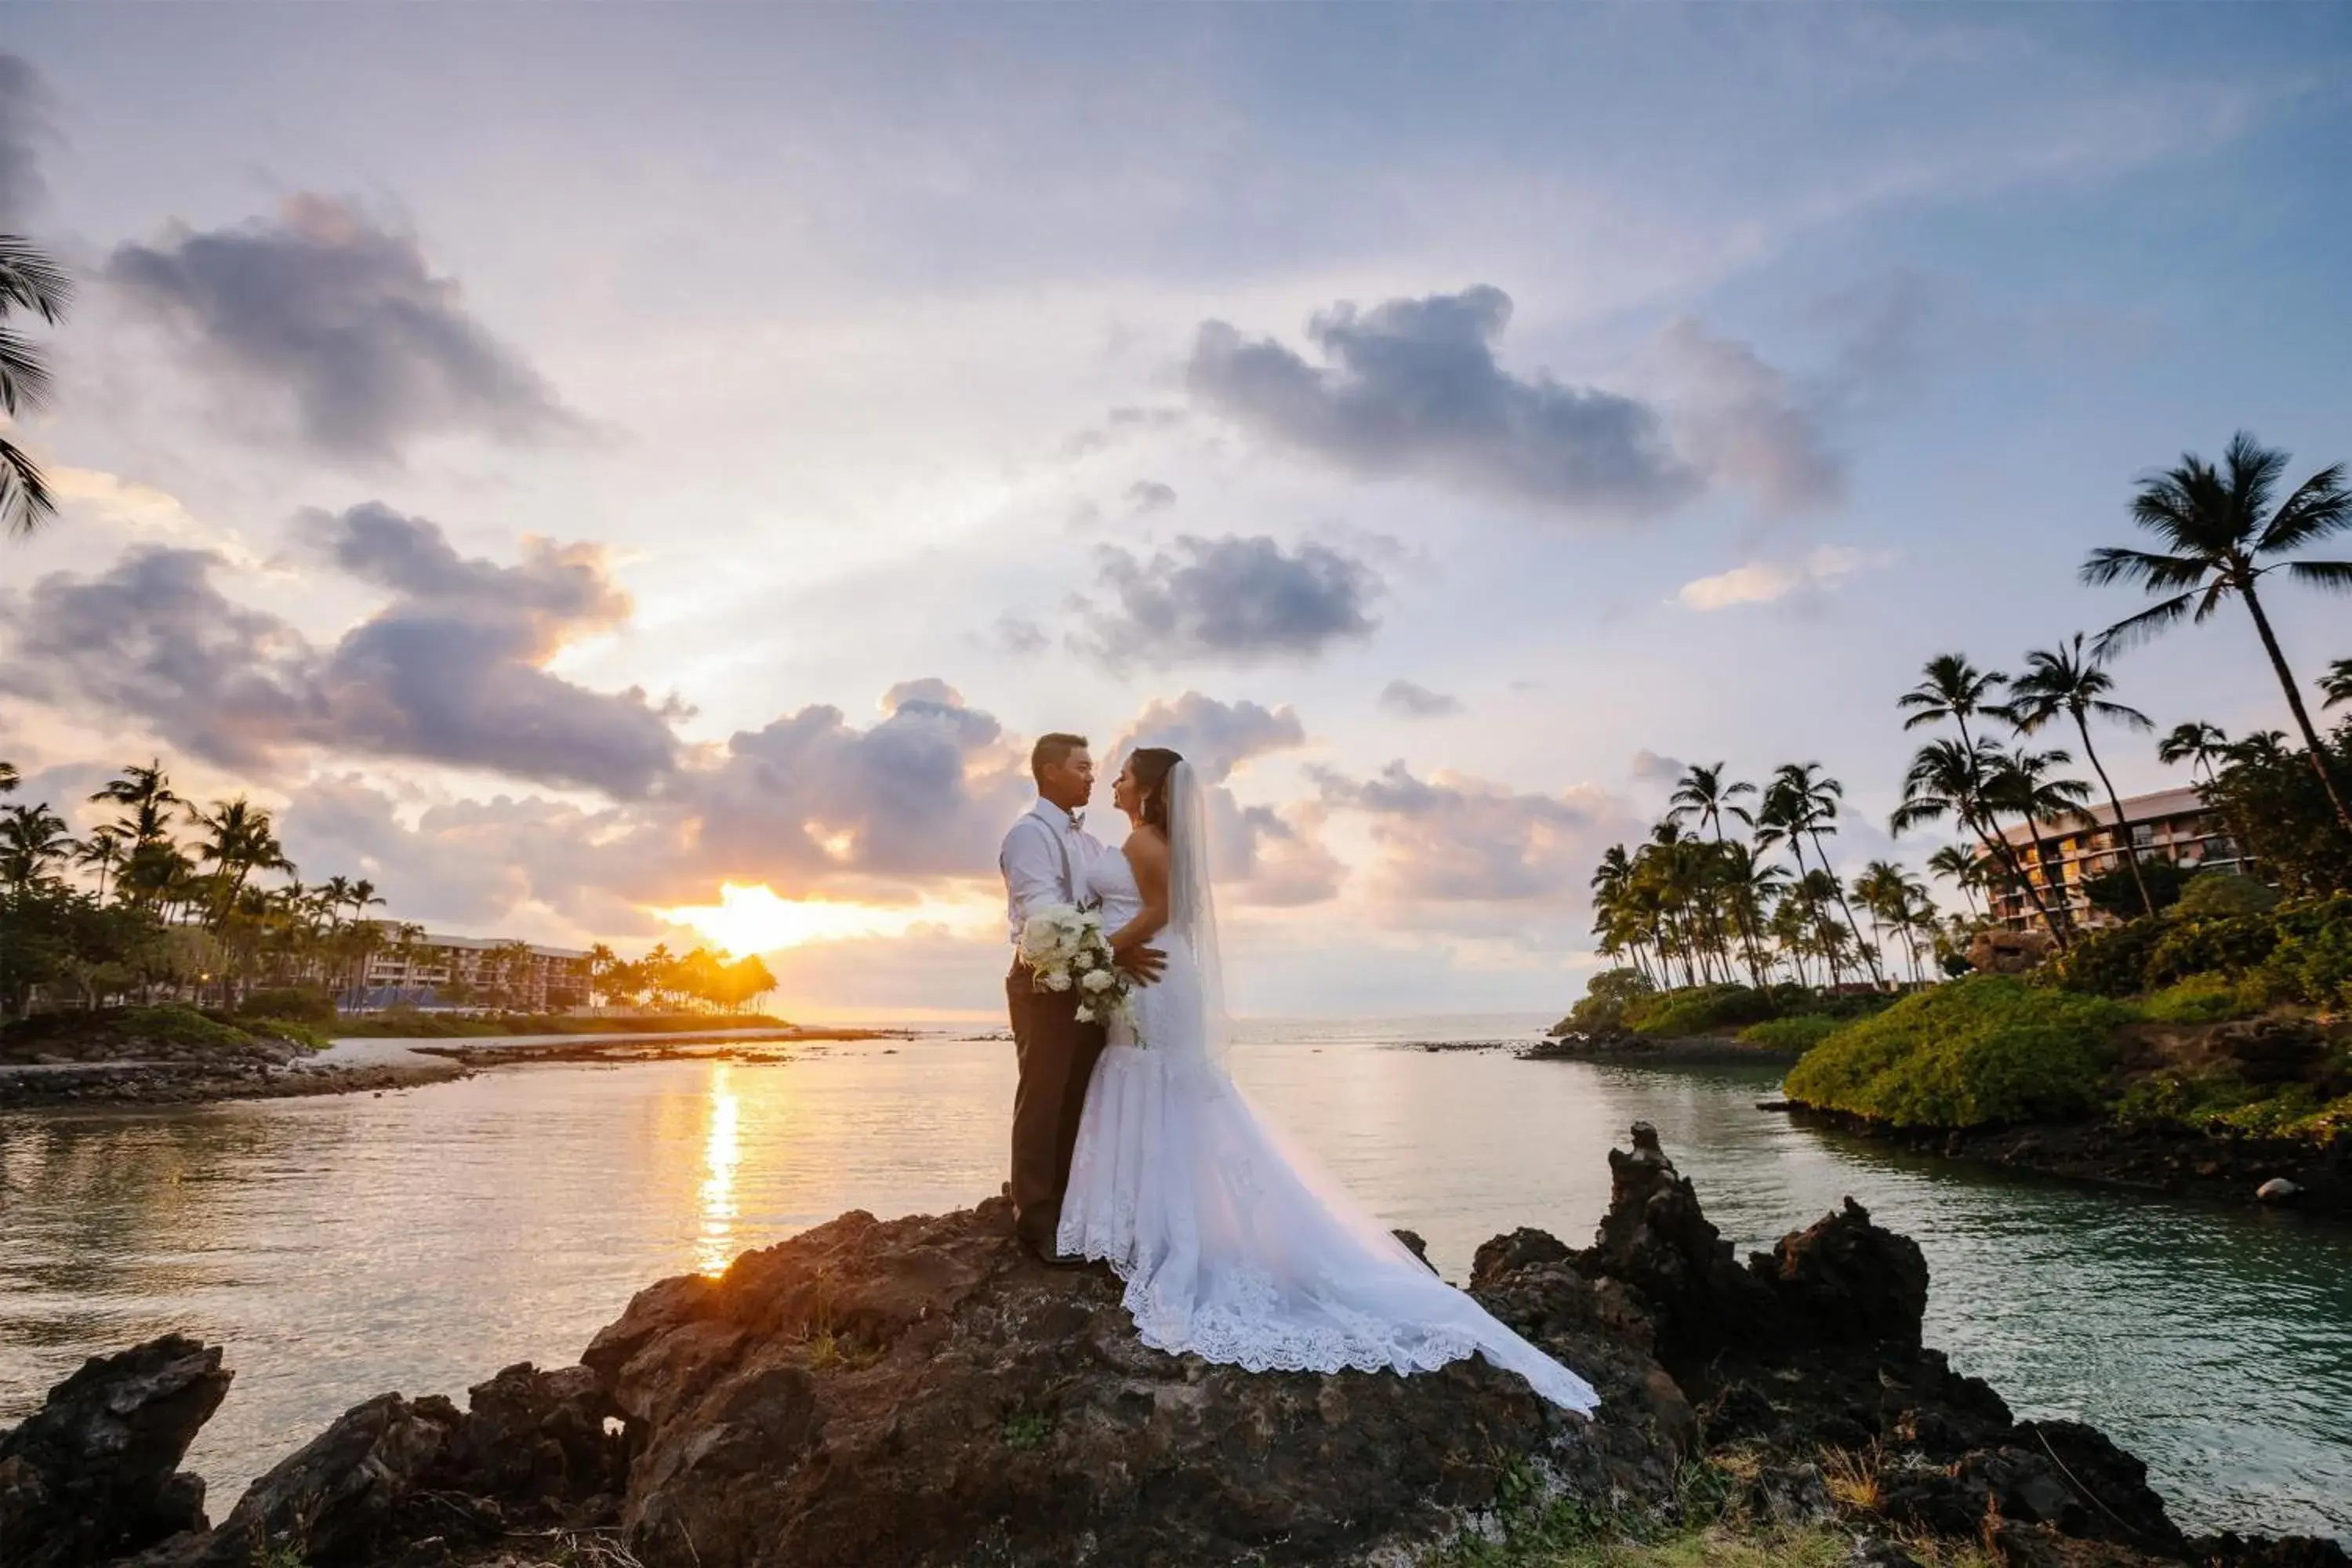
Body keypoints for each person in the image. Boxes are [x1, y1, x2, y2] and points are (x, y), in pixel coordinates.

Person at [1054, 746, 1599, 1412]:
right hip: (1153, 974)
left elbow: (1165, 910)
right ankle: (1162, 1226)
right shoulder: (1151, 839)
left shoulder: (1144, 841)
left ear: (1146, 789)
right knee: (1167, 1093)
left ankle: (1167, 1233)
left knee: (1159, 1087)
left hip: (1152, 977)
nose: (1112, 781)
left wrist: (1100, 950)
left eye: (1122, 774)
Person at [998, 732, 1161, 1265]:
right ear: (1050, 771)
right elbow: (1044, 912)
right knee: (1044, 1097)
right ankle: (1035, 1223)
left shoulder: (1087, 842)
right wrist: (1115, 949)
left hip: (1092, 980)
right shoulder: (1029, 835)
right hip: (1042, 980)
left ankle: (1071, 1208)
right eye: (1083, 767)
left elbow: (1106, 905)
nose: (1094, 777)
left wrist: (1118, 950)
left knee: (1079, 1097)